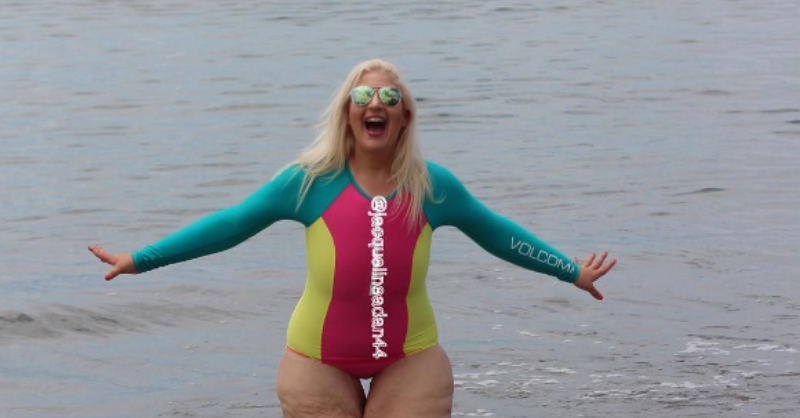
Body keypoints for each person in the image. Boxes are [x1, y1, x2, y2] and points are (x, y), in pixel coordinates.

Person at [89, 59, 616, 418]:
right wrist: (141, 259)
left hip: (412, 357)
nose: (375, 103)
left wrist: (570, 271)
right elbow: (231, 224)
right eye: (363, 95)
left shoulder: (432, 188)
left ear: (405, 116)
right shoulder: (307, 182)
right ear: (348, 111)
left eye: (390, 96)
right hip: (316, 359)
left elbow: (497, 233)